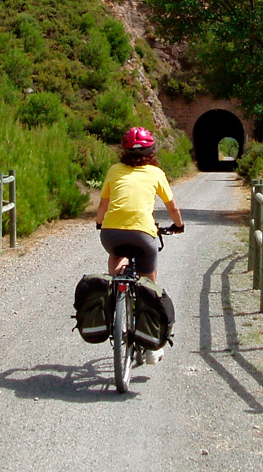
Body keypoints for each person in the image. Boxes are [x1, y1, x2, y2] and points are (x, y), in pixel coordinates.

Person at [95, 126, 184, 364]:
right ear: (152, 151)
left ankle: (116, 297)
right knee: (148, 284)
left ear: (123, 151)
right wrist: (179, 225)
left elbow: (104, 203)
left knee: (117, 255)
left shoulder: (114, 170)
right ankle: (151, 345)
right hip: (143, 234)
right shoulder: (155, 173)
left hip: (111, 233)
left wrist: (99, 223)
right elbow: (172, 207)